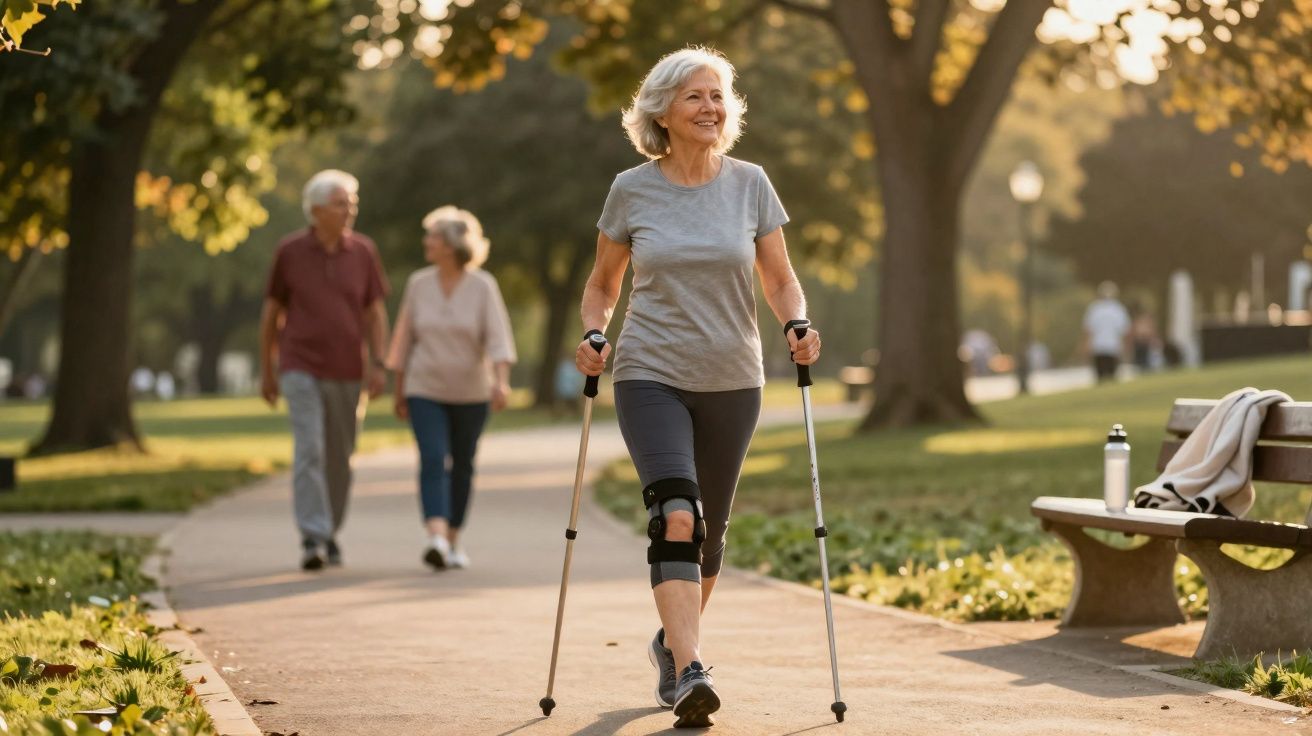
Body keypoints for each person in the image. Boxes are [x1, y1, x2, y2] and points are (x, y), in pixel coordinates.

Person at [574, 47, 820, 729]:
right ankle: (691, 670)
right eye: (695, 97)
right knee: (676, 515)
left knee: (707, 537)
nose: (711, 108)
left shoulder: (751, 183)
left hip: (733, 378)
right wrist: (594, 333)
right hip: (650, 373)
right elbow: (602, 286)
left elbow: (780, 278)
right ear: (662, 111)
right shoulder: (631, 190)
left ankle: (670, 643)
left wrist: (796, 322)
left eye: (717, 96)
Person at [259, 169, 390, 571]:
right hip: (299, 365)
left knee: (340, 456)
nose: (349, 209)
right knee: (310, 449)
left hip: (348, 369)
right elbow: (272, 313)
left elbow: (375, 314)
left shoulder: (363, 252)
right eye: (340, 203)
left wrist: (379, 363)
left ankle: (329, 530)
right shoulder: (289, 251)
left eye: (351, 203)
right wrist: (268, 369)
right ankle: (313, 537)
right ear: (316, 210)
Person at [387, 206, 516, 571]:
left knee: (462, 464)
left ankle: (454, 538)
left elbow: (498, 338)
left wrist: (501, 382)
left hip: (471, 393)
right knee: (432, 458)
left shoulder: (482, 286)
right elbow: (403, 340)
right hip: (424, 388)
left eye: (433, 236)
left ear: (452, 245)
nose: (426, 241)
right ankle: (437, 537)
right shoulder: (418, 283)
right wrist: (399, 389)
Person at [1083, 280, 1130, 383]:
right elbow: (1124, 331)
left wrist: (1086, 347)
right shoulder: (1118, 309)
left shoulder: (1094, 309)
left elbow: (1089, 330)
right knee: (1111, 377)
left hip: (1098, 347)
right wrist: (1125, 349)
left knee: (1100, 377)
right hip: (1113, 347)